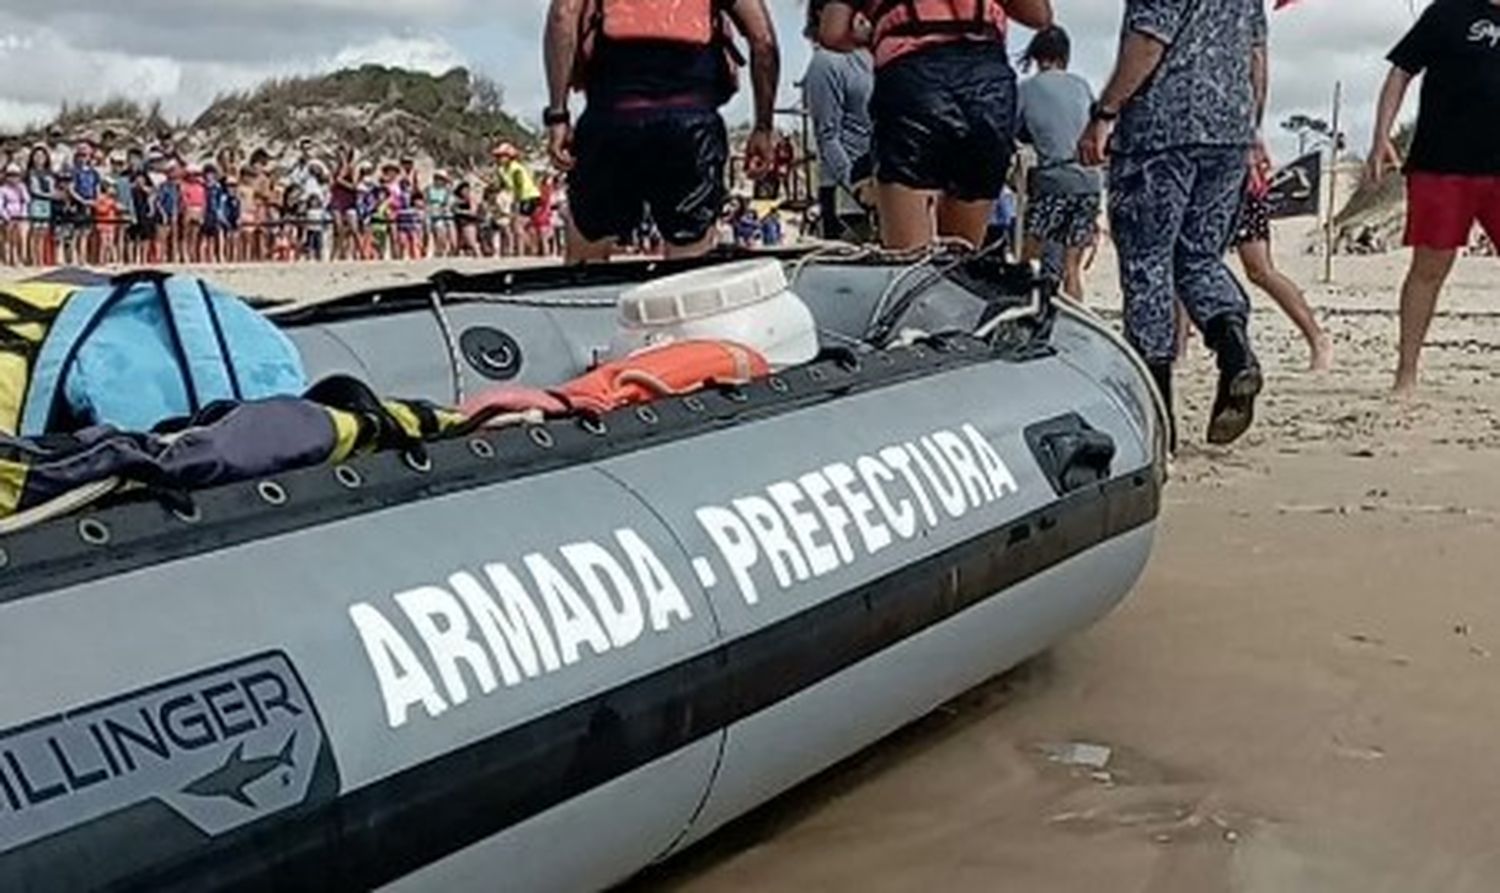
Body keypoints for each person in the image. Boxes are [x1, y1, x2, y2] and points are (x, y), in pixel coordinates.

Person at [1079, 0, 1267, 447]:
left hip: (1160, 131)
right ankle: (1234, 348)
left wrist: (1105, 112)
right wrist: (1250, 128)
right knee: (1200, 258)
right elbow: (1257, 57)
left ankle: (1157, 416)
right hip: (1229, 130)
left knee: (1148, 264)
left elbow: (1148, 41)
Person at [543, 0, 780, 263]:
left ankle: (581, 299)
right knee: (689, 259)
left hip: (611, 119)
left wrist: (558, 115)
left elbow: (562, 16)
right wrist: (763, 126)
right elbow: (763, 41)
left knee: (587, 253)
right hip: (691, 127)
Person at [819, 0, 1053, 250]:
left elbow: (832, 32)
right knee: (959, 261)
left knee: (908, 264)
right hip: (986, 86)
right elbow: (1039, 16)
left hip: (911, 81)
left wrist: (874, 34)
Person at [1369, 0, 1500, 395]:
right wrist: (1381, 137)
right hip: (1442, 163)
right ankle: (1406, 373)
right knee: (1429, 268)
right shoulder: (1448, 11)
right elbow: (1400, 72)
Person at [1016, 26, 1102, 302]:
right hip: (1090, 181)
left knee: (1029, 260)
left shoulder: (1027, 89)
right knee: (1072, 268)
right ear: (1065, 56)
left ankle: (1027, 315)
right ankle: (1072, 328)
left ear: (1036, 56)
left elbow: (1015, 132)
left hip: (1053, 180)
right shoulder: (1082, 85)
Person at [1232, 150, 1333, 372]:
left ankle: (1317, 338)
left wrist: (1253, 143)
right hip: (1193, 164)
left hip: (1237, 175)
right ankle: (1178, 350)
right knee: (1188, 263)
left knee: (1260, 270)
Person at [802, 0, 874, 241]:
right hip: (845, 195)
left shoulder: (878, 59)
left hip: (883, 184)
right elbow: (827, 136)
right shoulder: (826, 62)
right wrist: (856, 185)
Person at [24, 147, 56, 266]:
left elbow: (52, 187)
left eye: (42, 156)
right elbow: (34, 190)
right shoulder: (31, 172)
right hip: (36, 202)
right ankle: (33, 258)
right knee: (35, 231)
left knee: (43, 231)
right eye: (36, 156)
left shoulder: (49, 173)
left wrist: (51, 195)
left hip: (46, 204)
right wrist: (51, 195)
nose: (39, 159)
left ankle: (41, 258)